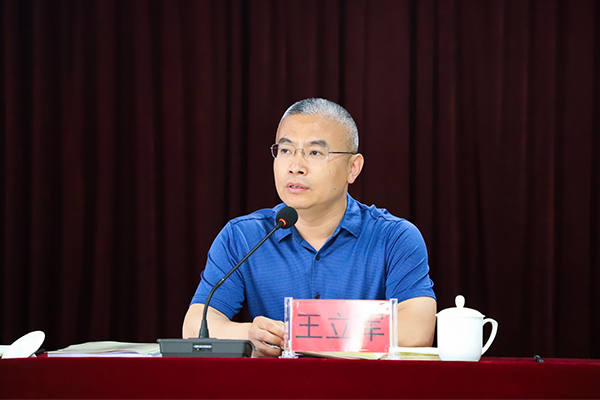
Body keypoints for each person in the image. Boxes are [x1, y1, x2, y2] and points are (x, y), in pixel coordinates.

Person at [182, 98, 436, 357]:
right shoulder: (242, 237)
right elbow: (194, 327)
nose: (295, 167)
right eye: (285, 150)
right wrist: (251, 335)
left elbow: (417, 331)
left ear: (353, 168)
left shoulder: (394, 238)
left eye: (315, 153)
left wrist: (299, 335)